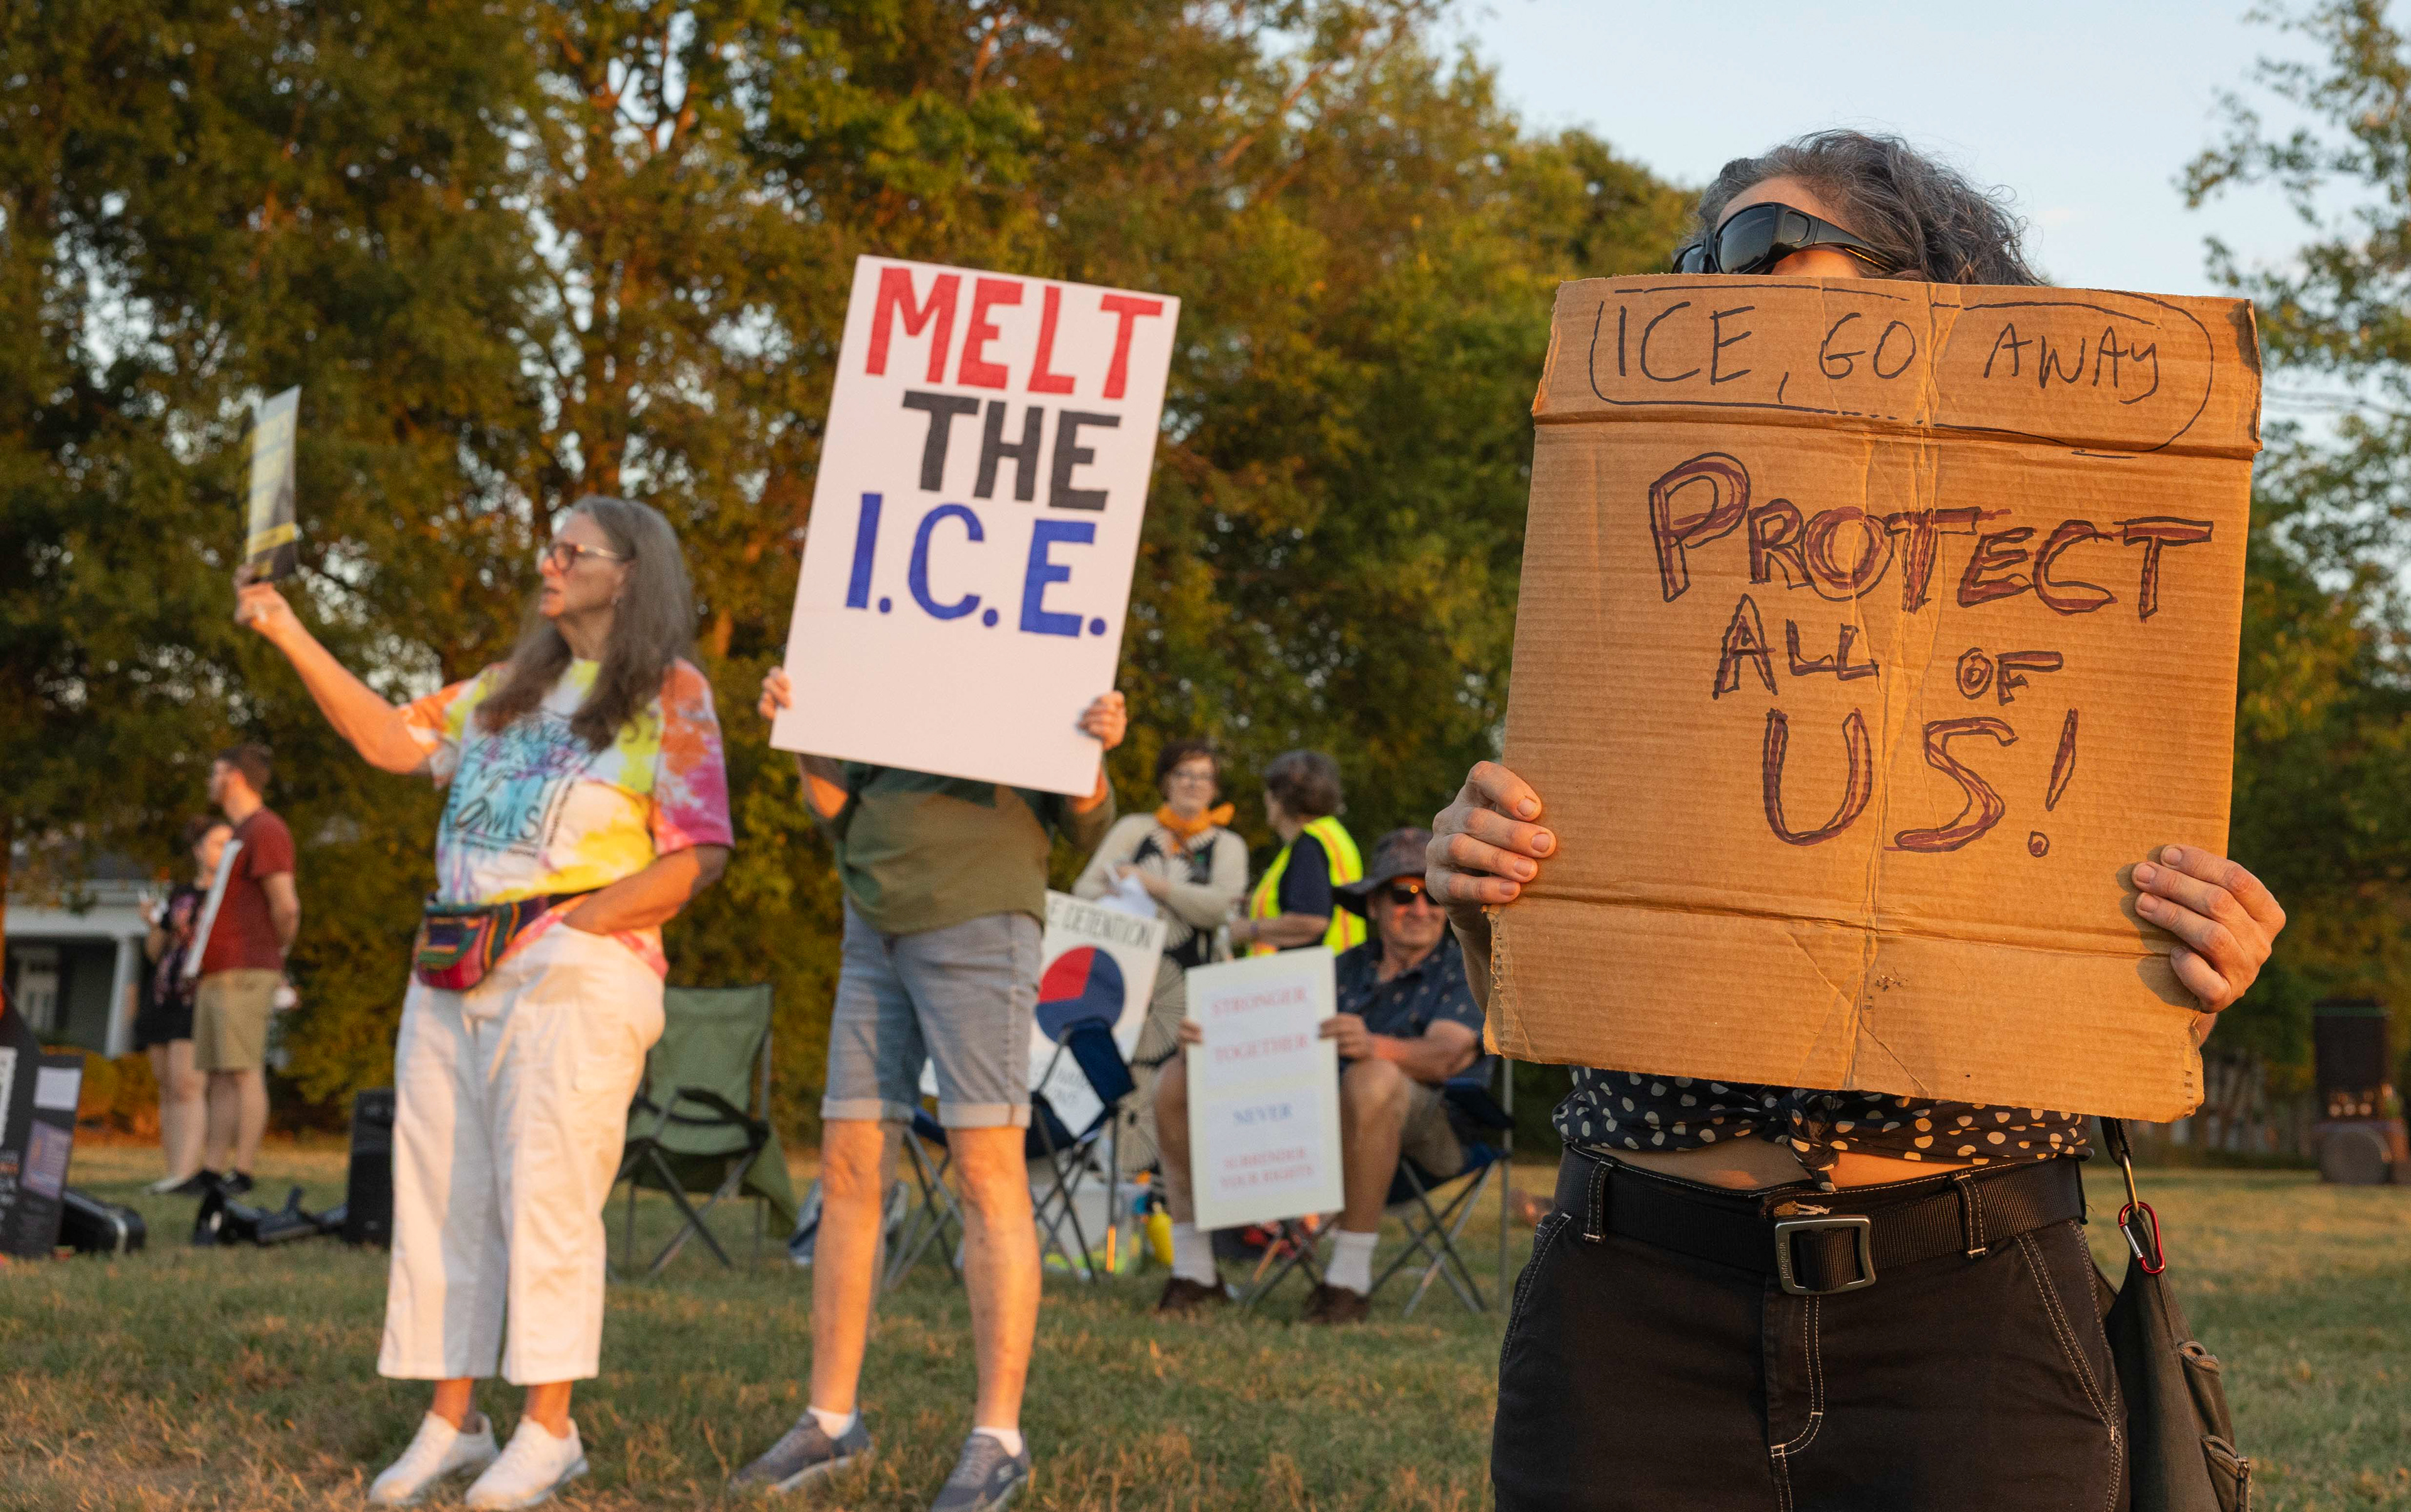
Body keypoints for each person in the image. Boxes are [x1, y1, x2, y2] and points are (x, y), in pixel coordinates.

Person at [1426, 131, 2291, 1509]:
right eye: (1700, 261)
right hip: (1634, 1304)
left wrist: (2196, 959)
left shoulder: (2083, 594)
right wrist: (1485, 885)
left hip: (1969, 1320)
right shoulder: (1637, 571)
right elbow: (1550, 993)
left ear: (1938, 290)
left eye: (1765, 244)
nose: (1722, 283)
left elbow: (2094, 987)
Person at [235, 495, 732, 1511]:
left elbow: (700, 852)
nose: (547, 563)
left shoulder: (669, 693)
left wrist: (577, 926)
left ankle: (549, 1427)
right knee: (439, 1189)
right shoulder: (504, 687)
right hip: (453, 960)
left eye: (570, 550)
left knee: (548, 1194)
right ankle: (454, 1419)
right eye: (546, 546)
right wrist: (288, 628)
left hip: (574, 968)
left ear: (629, 572)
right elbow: (387, 738)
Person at [738, 668, 1126, 1511]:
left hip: (983, 914)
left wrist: (1095, 747)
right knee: (847, 1165)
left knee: (986, 1169)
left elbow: (1089, 822)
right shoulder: (885, 643)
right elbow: (837, 809)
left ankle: (999, 1439)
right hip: (871, 917)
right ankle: (831, 1418)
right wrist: (807, 721)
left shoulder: (1036, 633)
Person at [1153, 826, 1484, 1324]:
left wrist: (1375, 1046)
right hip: (1315, 1126)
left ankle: (1347, 1283)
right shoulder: (1336, 969)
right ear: (1373, 905)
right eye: (1404, 893)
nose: (1421, 908)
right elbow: (1268, 1037)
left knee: (1372, 1077)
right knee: (1177, 1077)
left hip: (1433, 1132)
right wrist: (1215, 1037)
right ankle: (1195, 1271)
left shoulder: (1460, 968)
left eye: (1433, 895)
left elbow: (1447, 1056)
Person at [1071, 738, 1249, 1168]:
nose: (1193, 785)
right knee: (1114, 1083)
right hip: (1122, 985)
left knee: (1176, 1091)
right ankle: (1107, 1197)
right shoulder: (1134, 830)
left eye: (1204, 777)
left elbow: (1221, 907)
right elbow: (1084, 889)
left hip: (1187, 994)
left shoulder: (1227, 845)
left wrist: (1153, 886)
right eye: (1184, 775)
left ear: (1215, 788)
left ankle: (1166, 1205)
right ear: (1166, 782)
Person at [190, 743, 299, 1196]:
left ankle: (244, 1170)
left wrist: (277, 951)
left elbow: (285, 905)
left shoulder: (266, 829)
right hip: (218, 968)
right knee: (217, 1072)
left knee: (243, 1070)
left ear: (234, 776)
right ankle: (212, 1170)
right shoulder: (238, 832)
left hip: (246, 967)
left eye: (215, 772)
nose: (210, 781)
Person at [134, 816, 232, 1196]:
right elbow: (155, 952)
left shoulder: (232, 896)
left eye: (229, 845)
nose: (223, 852)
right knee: (168, 1085)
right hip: (163, 994)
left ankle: (189, 1174)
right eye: (216, 844)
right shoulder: (180, 894)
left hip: (202, 996)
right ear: (198, 850)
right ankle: (173, 1171)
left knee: (188, 1083)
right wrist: (154, 925)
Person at [1227, 750, 1362, 955]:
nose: (1265, 800)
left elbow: (1311, 921)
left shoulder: (1308, 845)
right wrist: (1257, 904)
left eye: (1269, 792)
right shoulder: (1329, 835)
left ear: (1281, 797)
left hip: (1312, 980)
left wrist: (1250, 928)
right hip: (1335, 972)